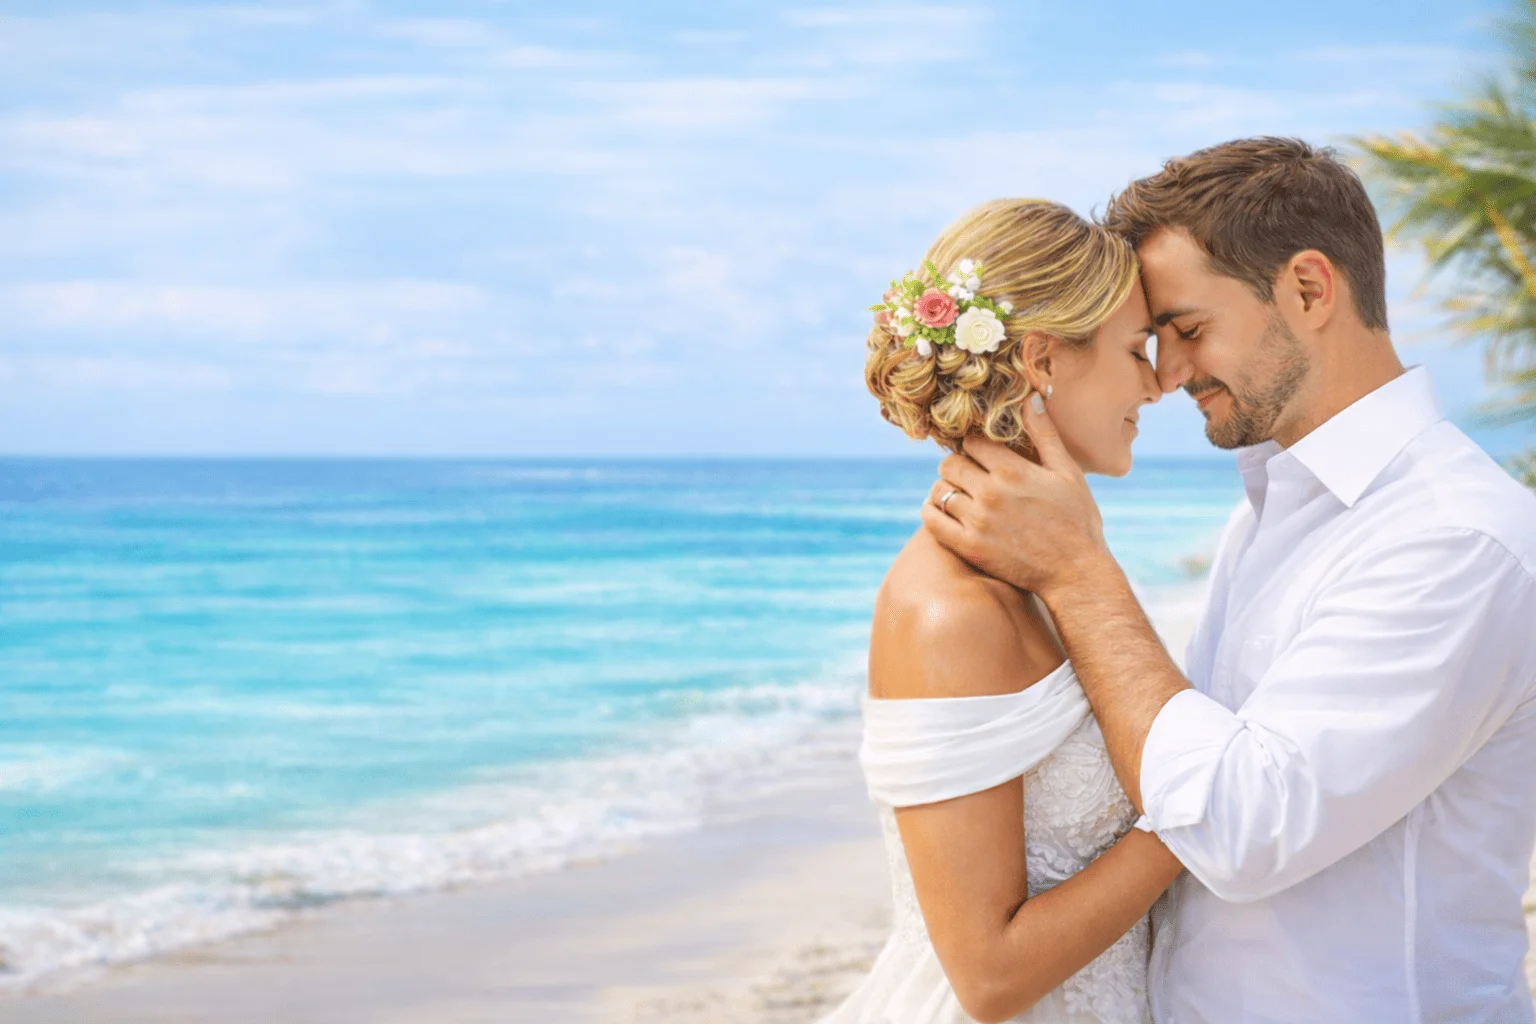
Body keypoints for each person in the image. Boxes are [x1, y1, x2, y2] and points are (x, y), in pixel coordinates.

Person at [923, 138, 1536, 1022]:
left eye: (1188, 331)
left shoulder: (1456, 538)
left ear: (1310, 289)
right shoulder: (1263, 513)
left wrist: (1078, 572)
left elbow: (1242, 828)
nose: (1167, 376)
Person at [821, 198, 1177, 1024]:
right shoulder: (953, 616)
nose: (1157, 384)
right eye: (1136, 351)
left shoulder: (1050, 572)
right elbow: (988, 977)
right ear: (1044, 360)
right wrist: (1198, 816)